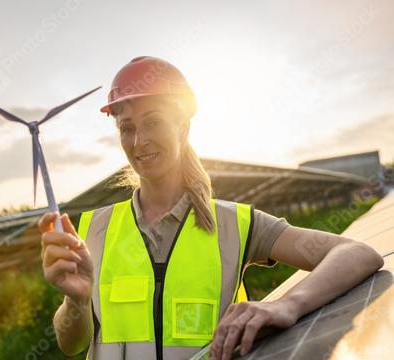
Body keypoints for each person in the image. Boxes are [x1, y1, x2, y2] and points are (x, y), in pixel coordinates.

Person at [39, 56, 384, 360]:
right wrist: (77, 302)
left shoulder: (235, 224)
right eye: (126, 128)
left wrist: (286, 305)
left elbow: (357, 254)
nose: (139, 140)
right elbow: (72, 344)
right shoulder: (93, 230)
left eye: (153, 122)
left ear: (183, 126)